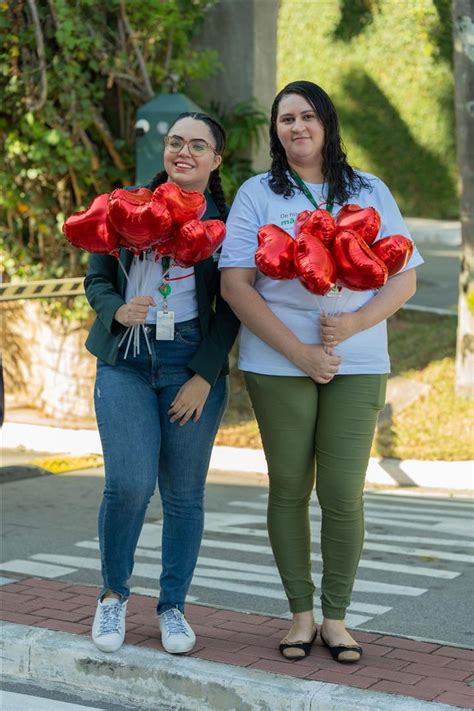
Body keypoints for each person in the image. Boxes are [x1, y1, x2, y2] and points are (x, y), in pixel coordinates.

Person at [219, 81, 423, 663]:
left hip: (358, 363)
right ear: (275, 131)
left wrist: (355, 325)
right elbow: (237, 287)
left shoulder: (368, 190)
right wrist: (300, 352)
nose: (297, 127)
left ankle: (336, 618)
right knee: (289, 487)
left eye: (308, 116)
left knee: (341, 493)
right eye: (286, 119)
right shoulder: (258, 194)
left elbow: (403, 277)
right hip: (277, 365)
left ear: (327, 124)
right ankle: (300, 615)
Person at [84, 112, 239, 655]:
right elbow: (96, 277)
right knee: (128, 485)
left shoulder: (228, 223)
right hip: (124, 360)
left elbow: (233, 307)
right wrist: (117, 310)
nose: (185, 152)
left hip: (188, 364)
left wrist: (203, 374)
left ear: (216, 160)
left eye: (199, 146)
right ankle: (111, 597)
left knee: (182, 495)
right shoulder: (127, 204)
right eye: (176, 142)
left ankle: (172, 606)